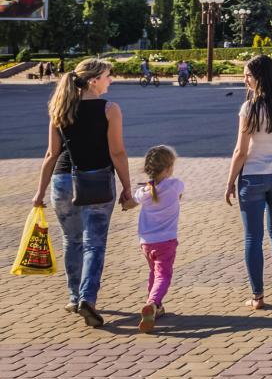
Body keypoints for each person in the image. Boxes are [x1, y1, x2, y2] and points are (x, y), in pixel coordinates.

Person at [31, 58, 134, 328]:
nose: (111, 80)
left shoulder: (60, 108)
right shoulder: (110, 109)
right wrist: (127, 187)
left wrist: (39, 192)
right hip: (97, 181)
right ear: (93, 81)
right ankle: (88, 298)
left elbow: (51, 154)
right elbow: (117, 152)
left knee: (72, 240)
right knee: (94, 243)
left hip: (62, 182)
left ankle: (74, 296)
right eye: (108, 76)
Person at [225, 55, 272, 310]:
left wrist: (230, 181)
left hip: (253, 177)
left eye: (247, 75)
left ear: (260, 77)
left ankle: (257, 297)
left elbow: (241, 151)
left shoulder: (250, 108)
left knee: (252, 238)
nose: (244, 79)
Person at [133, 145, 183, 333]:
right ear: (169, 168)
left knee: (154, 272)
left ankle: (155, 306)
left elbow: (134, 199)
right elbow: (179, 192)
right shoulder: (175, 184)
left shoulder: (144, 193)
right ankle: (153, 303)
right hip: (167, 241)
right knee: (163, 275)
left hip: (146, 242)